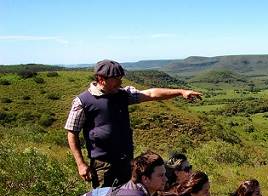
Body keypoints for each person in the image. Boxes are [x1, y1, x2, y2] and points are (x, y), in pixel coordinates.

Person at [65, 59, 202, 188]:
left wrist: (181, 92)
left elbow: (152, 94)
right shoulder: (83, 102)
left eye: (120, 79)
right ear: (101, 79)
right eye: (115, 79)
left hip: (127, 161)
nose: (120, 83)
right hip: (103, 165)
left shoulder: (123, 94)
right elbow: (72, 133)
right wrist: (80, 164)